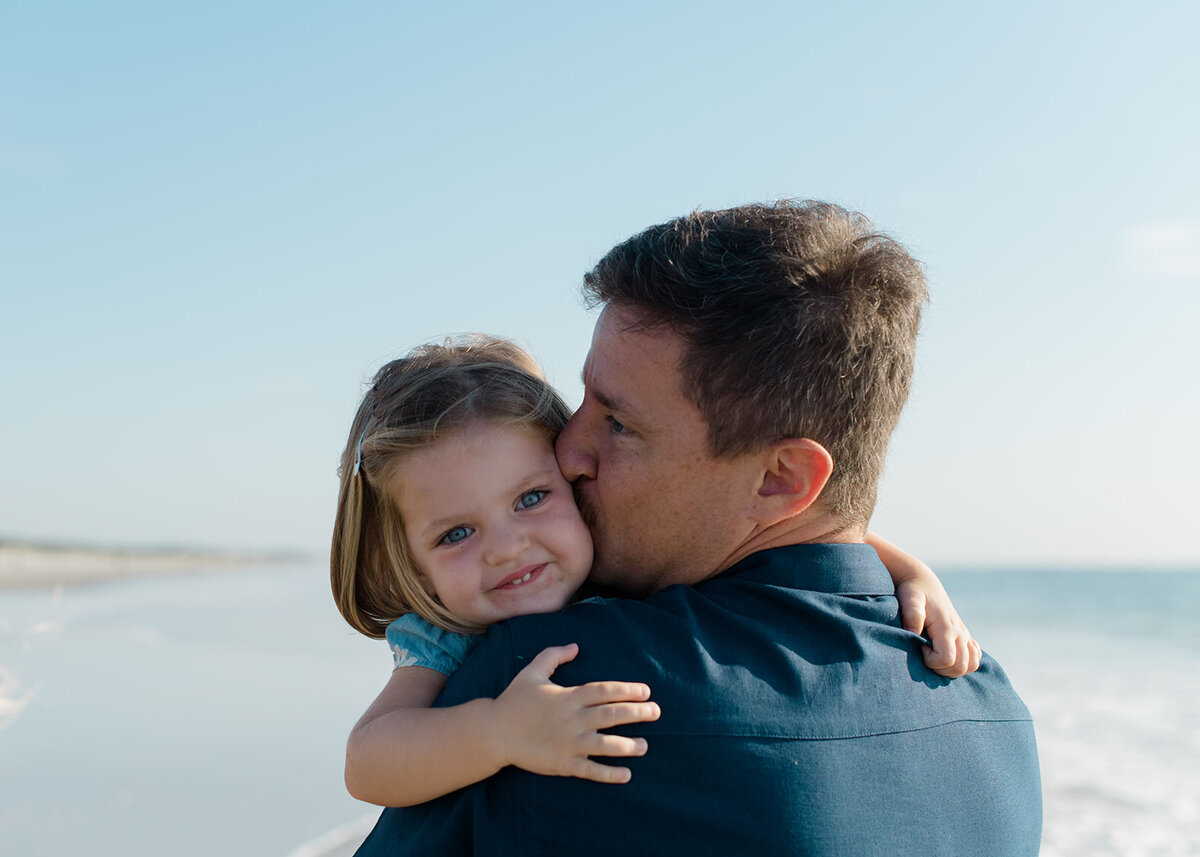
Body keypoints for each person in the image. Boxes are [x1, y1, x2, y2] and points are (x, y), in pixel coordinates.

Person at [352, 200, 1042, 856]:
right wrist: (904, 571)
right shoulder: (999, 715)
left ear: (780, 480)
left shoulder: (552, 679)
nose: (568, 452)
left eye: (619, 425)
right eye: (584, 401)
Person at [330, 335, 972, 808]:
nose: (505, 549)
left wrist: (912, 572)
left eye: (531, 499)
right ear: (408, 559)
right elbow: (369, 762)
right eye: (456, 534)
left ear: (574, 480)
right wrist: (496, 732)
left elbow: (816, 525)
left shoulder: (619, 565)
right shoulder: (448, 638)